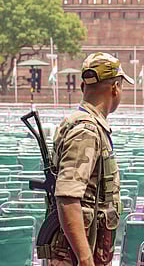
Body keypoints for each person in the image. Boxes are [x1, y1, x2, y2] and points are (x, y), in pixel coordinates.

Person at [49, 52, 134, 266]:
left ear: (82, 88)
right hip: (79, 255)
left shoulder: (85, 125)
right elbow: (67, 196)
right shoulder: (86, 131)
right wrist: (85, 259)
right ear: (115, 88)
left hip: (86, 248)